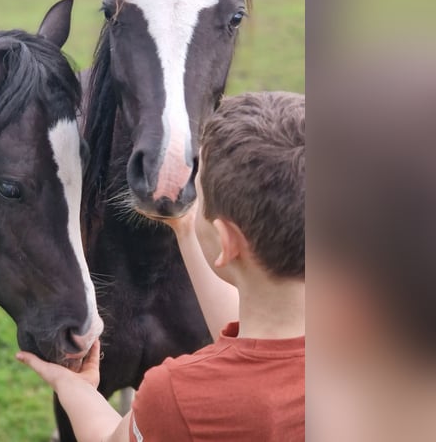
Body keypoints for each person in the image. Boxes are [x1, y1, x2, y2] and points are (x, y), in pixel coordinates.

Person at [17, 91, 305, 441]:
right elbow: (245, 331)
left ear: (227, 242)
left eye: (198, 196)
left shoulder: (178, 395)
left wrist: (75, 388)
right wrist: (185, 231)